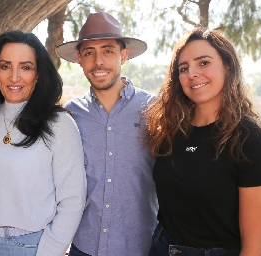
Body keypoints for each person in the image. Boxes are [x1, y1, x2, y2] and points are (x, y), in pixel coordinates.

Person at [146, 27, 261, 255]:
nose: (192, 74)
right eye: (184, 68)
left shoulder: (251, 140)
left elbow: (256, 249)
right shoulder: (169, 132)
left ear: (228, 66)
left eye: (204, 62)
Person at [0, 30, 86, 256]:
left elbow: (73, 201)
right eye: (5, 66)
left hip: (24, 247)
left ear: (38, 74)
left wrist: (49, 251)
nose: (14, 77)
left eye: (26, 67)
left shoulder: (59, 124)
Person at [56, 12, 158, 256]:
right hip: (84, 247)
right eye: (89, 53)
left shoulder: (156, 110)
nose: (98, 61)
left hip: (141, 248)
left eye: (108, 51)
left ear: (124, 54)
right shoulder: (69, 115)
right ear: (79, 59)